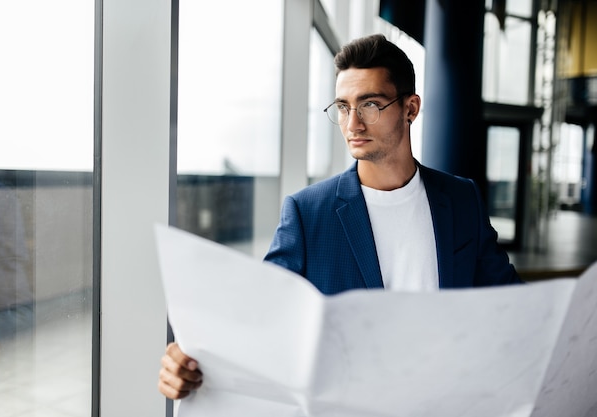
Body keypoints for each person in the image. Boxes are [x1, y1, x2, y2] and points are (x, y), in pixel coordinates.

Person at [158, 33, 524, 400]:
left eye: (370, 105)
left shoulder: (461, 199)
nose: (353, 125)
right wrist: (189, 359)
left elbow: (513, 307)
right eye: (344, 107)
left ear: (410, 109)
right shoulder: (307, 213)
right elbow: (261, 318)